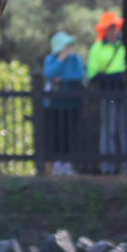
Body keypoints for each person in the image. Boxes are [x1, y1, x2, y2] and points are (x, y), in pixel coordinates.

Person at [86, 12, 127, 175]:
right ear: (104, 30)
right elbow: (92, 73)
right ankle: (108, 166)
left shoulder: (124, 45)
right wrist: (111, 77)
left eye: (114, 27)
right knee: (108, 129)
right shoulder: (97, 48)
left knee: (126, 129)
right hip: (107, 93)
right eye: (109, 28)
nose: (112, 30)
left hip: (125, 93)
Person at [43, 31, 86, 175]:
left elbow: (79, 75)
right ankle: (57, 165)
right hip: (54, 105)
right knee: (56, 134)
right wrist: (60, 59)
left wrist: (62, 79)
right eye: (65, 45)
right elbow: (49, 74)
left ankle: (67, 165)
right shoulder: (50, 59)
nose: (69, 48)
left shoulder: (75, 59)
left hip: (71, 104)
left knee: (69, 134)